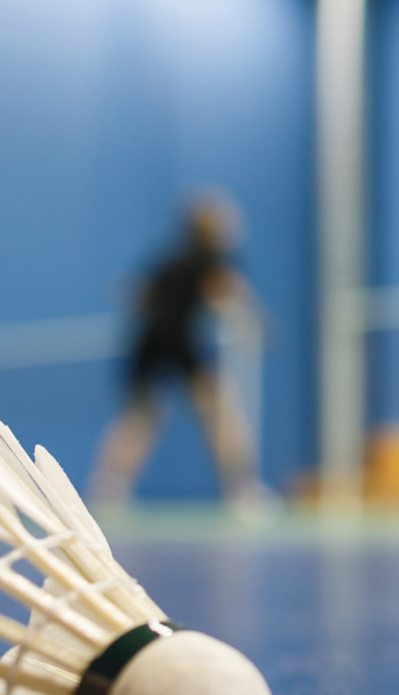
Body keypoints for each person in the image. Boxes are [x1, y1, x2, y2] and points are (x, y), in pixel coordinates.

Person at [91, 192, 273, 521]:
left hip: (148, 344)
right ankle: (242, 490)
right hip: (179, 344)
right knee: (220, 415)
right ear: (213, 227)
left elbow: (138, 296)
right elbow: (229, 296)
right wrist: (256, 324)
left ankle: (107, 489)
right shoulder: (213, 260)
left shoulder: (168, 260)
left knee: (140, 419)